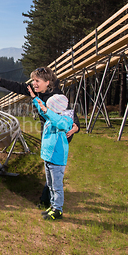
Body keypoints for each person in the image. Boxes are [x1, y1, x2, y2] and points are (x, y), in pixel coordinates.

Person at [0, 65, 80, 208]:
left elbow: (70, 114)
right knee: (49, 169)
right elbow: (17, 87)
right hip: (47, 133)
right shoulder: (35, 90)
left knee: (53, 170)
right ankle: (47, 200)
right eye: (33, 80)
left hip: (59, 137)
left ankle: (48, 202)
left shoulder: (56, 96)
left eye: (37, 81)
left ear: (47, 82)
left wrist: (76, 127)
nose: (34, 83)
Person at [28, 91, 73, 220]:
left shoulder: (65, 120)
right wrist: (35, 98)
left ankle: (58, 210)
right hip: (48, 158)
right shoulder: (50, 118)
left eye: (49, 108)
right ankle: (53, 206)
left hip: (57, 159)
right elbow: (43, 111)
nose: (46, 110)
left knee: (57, 186)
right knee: (50, 185)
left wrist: (47, 111)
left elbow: (59, 122)